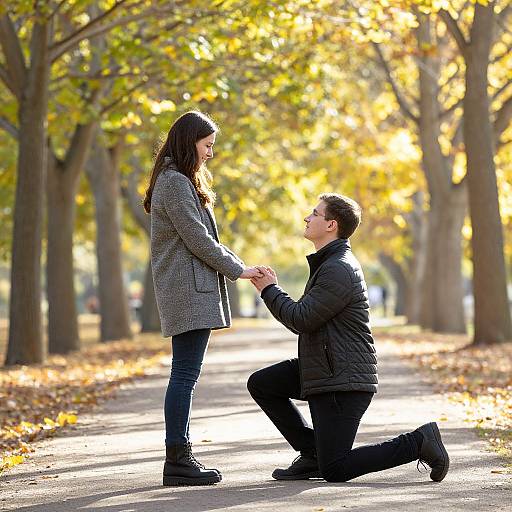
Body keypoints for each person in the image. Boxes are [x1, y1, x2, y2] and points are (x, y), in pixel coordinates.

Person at [247, 193, 449, 483]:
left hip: (343, 381)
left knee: (336, 469)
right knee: (263, 384)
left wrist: (270, 290)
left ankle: (419, 442)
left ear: (331, 225)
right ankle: (312, 453)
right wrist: (270, 290)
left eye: (314, 214)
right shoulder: (329, 263)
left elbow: (302, 319)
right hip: (326, 369)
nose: (307, 217)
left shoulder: (339, 268)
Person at [144, 111, 262, 486]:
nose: (210, 153)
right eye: (207, 145)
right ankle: (178, 459)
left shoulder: (178, 180)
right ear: (188, 141)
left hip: (188, 288)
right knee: (184, 375)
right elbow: (198, 239)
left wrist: (236, 265)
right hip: (186, 290)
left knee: (185, 374)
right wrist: (238, 269)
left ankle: (179, 455)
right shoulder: (174, 182)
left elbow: (202, 238)